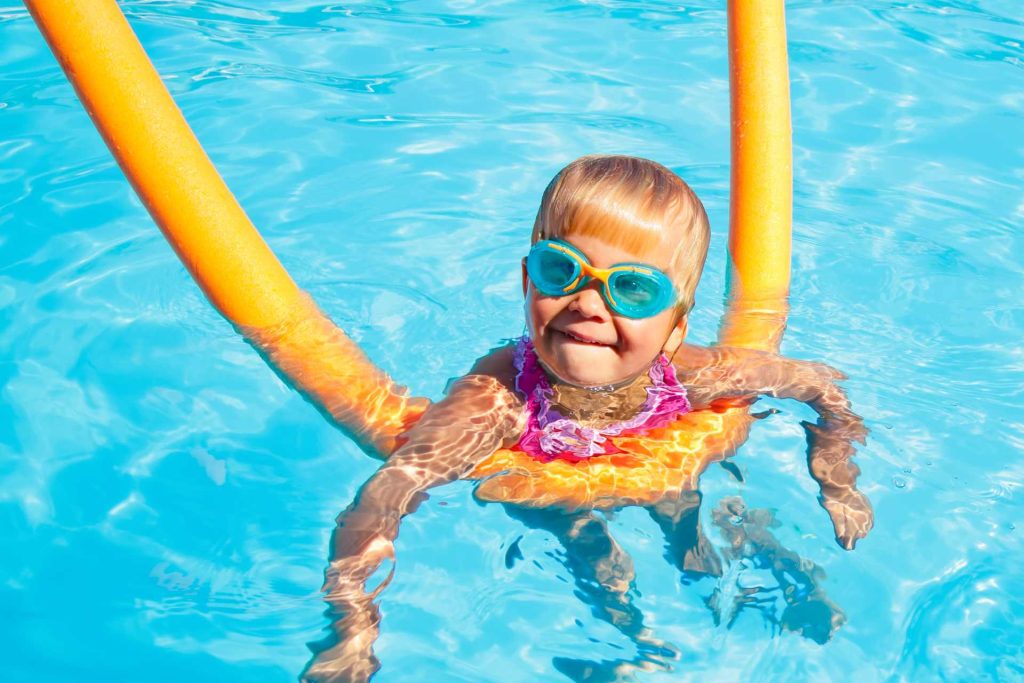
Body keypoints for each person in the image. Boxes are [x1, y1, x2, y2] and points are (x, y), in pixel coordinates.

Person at [299, 155, 873, 682]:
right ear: (527, 282)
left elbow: (818, 385)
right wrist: (353, 627)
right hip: (552, 490)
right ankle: (630, 646)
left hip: (662, 467)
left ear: (675, 327)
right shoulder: (496, 397)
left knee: (711, 523)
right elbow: (385, 495)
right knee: (593, 560)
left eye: (631, 288)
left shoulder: (687, 374)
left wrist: (835, 473)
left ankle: (779, 586)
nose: (588, 304)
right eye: (560, 271)